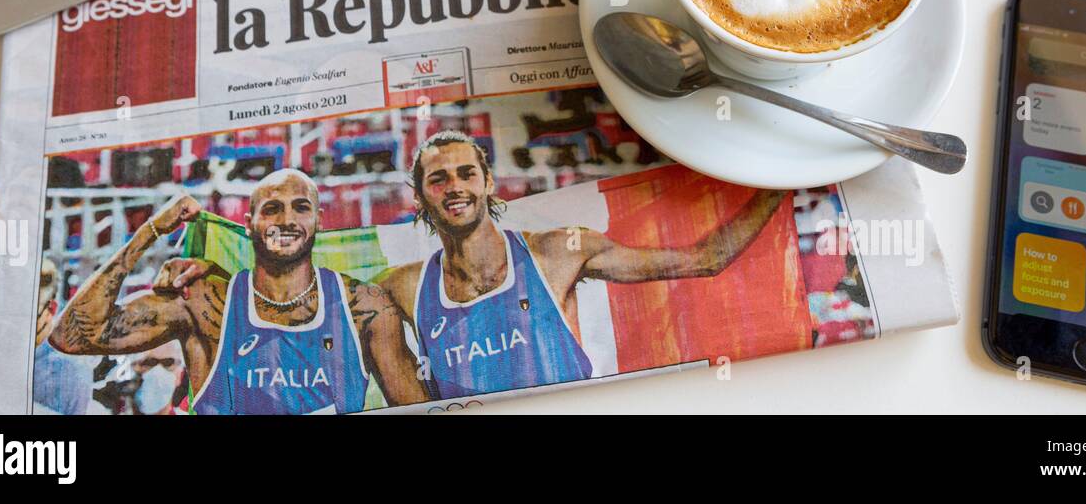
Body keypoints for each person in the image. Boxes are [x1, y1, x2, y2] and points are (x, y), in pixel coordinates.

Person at [166, 131, 786, 399]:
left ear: (489, 182)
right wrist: (214, 273)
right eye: (438, 178)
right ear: (422, 197)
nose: (455, 185)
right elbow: (300, 299)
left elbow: (707, 260)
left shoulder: (559, 251)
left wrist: (785, 179)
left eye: (467, 172)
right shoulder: (403, 288)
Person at [50, 169, 426, 413]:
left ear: (319, 220)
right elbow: (71, 336)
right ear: (248, 224)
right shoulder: (203, 302)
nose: (287, 220)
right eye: (272, 209)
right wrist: (150, 230)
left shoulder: (364, 306)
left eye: (300, 208)